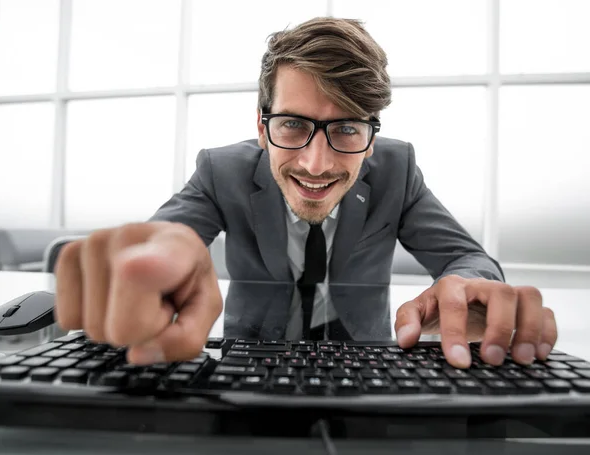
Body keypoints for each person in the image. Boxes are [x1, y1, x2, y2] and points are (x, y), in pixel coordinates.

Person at [54, 17, 557, 370]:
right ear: (260, 124)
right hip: (252, 357)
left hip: (365, 356)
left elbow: (467, 257)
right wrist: (155, 254)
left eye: (346, 129)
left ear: (372, 137)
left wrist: (467, 285)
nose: (316, 165)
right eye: (292, 125)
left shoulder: (397, 169)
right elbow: (170, 236)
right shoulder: (220, 170)